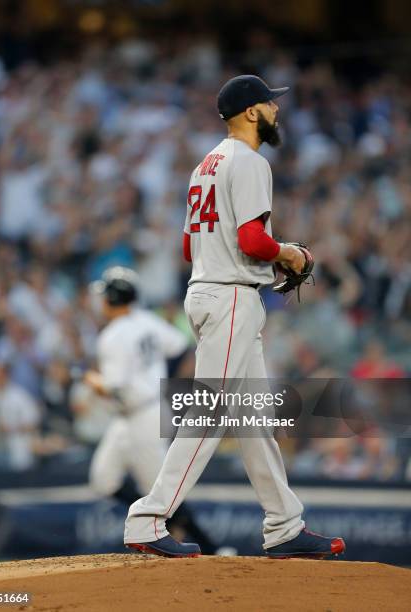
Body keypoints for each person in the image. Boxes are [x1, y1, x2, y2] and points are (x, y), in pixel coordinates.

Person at [124, 75, 346, 558]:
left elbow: (188, 246)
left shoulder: (204, 164)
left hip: (210, 291)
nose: (276, 110)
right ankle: (148, 518)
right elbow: (251, 242)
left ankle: (284, 525)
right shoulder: (249, 162)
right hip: (229, 298)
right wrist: (288, 253)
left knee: (253, 420)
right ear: (250, 113)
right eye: (270, 103)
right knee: (209, 413)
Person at [83, 266, 216, 553]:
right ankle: (160, 525)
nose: (100, 301)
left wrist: (91, 380)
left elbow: (113, 387)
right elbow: (181, 346)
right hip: (135, 415)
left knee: (163, 492)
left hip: (143, 415)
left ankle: (212, 548)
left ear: (113, 298)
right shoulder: (145, 320)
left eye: (104, 295)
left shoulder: (112, 335)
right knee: (103, 479)